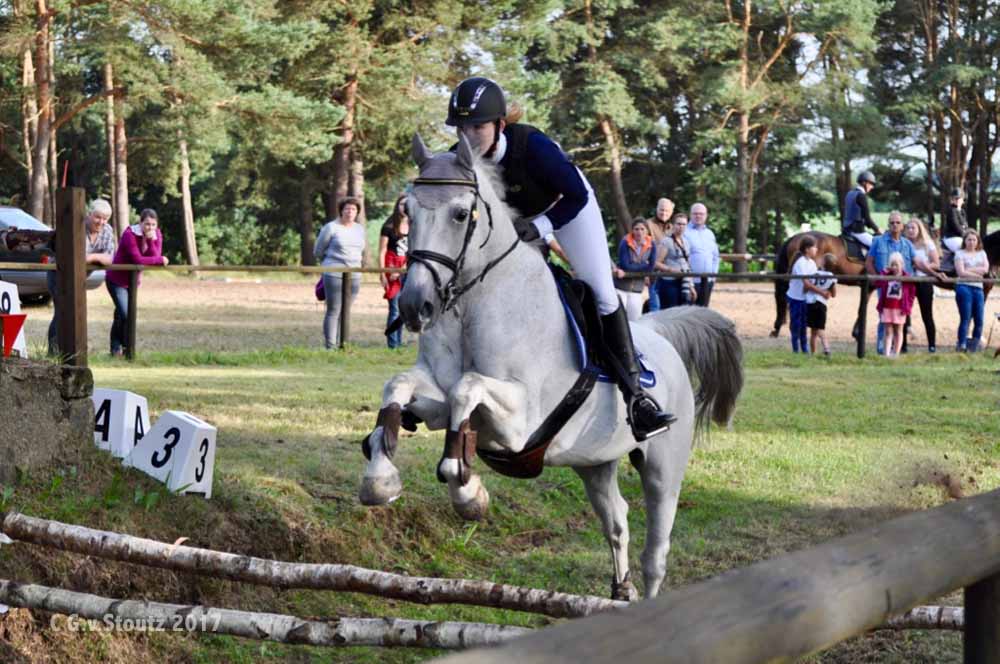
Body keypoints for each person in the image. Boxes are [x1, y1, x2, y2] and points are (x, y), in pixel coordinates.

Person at [446, 76, 674, 440]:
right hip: (516, 224)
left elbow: (576, 197)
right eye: (461, 129)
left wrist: (540, 227)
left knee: (601, 291)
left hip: (567, 211)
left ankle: (637, 397)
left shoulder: (534, 147)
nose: (468, 137)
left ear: (500, 125)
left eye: (477, 127)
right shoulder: (459, 158)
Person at [47, 198, 116, 356]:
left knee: (73, 312)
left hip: (78, 277)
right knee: (62, 311)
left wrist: (91, 257)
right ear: (89, 214)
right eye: (98, 217)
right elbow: (75, 258)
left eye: (105, 218)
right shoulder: (77, 226)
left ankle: (69, 352)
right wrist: (95, 257)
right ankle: (53, 352)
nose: (101, 222)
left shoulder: (107, 230)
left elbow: (110, 258)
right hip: (58, 273)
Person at [105, 209, 169, 357]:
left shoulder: (157, 234)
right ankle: (127, 349)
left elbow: (155, 255)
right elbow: (138, 260)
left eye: (153, 224)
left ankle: (116, 350)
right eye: (147, 224)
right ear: (140, 223)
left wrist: (151, 241)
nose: (150, 228)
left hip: (133, 282)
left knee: (121, 315)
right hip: (116, 280)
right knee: (126, 315)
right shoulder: (129, 234)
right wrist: (160, 260)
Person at [315, 197, 365, 349]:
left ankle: (343, 344)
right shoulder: (331, 227)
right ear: (341, 211)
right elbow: (318, 251)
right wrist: (330, 263)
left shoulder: (359, 229)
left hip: (354, 273)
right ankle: (331, 346)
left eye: (353, 209)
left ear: (357, 212)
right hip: (334, 272)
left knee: (346, 310)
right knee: (334, 310)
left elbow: (361, 250)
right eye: (347, 209)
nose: (350, 212)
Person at [865, 211, 915, 354]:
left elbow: (917, 261)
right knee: (884, 317)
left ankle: (897, 350)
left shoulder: (908, 244)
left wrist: (934, 272)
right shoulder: (878, 241)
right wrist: (877, 278)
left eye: (898, 223)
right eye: (892, 223)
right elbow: (869, 262)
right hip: (885, 287)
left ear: (902, 226)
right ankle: (882, 349)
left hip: (903, 289)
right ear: (888, 225)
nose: (895, 225)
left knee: (900, 319)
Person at [903, 218, 942, 353]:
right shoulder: (904, 244)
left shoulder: (928, 244)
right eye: (908, 228)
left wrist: (922, 266)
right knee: (904, 313)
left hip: (924, 281)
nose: (911, 230)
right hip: (908, 281)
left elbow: (936, 264)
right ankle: (903, 345)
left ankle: (932, 345)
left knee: (927, 314)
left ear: (919, 229)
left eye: (913, 228)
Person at [379, 194, 409, 349]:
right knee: (395, 308)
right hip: (391, 270)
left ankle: (399, 342)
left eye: (407, 204)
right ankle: (392, 344)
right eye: (402, 204)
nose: (405, 207)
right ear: (397, 205)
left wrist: (403, 269)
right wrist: (382, 273)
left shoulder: (415, 225)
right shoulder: (389, 226)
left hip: (409, 271)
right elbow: (382, 251)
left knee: (404, 309)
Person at [954, 229, 989, 352]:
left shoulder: (982, 253)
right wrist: (977, 273)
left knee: (979, 319)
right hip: (964, 287)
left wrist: (969, 270)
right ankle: (962, 344)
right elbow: (961, 272)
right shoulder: (959, 254)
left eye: (974, 240)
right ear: (965, 241)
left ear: (978, 241)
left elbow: (985, 270)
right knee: (966, 318)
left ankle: (974, 346)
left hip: (978, 289)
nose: (971, 242)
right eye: (969, 239)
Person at [613, 218, 656, 321]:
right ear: (632, 230)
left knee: (635, 319)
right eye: (636, 229)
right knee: (620, 319)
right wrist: (644, 265)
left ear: (647, 231)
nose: (639, 232)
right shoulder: (625, 242)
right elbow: (625, 266)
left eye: (642, 229)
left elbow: (651, 266)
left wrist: (637, 267)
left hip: (637, 287)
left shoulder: (652, 244)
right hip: (621, 286)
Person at [874, 252, 916, 357]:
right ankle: (887, 353)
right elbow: (877, 283)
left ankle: (896, 353)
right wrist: (884, 272)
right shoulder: (887, 276)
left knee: (899, 330)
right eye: (892, 265)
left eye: (896, 265)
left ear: (902, 264)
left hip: (900, 308)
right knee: (888, 331)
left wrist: (909, 306)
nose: (894, 267)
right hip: (887, 307)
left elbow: (912, 293)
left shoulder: (907, 278)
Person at [787, 236, 821, 353]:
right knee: (796, 324)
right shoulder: (800, 263)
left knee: (804, 324)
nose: (816, 249)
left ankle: (804, 348)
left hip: (805, 299)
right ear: (807, 249)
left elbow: (812, 282)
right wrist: (822, 292)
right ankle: (795, 348)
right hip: (795, 298)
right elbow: (806, 284)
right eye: (814, 247)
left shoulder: (812, 263)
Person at [654, 213, 695, 309]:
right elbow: (656, 263)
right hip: (669, 282)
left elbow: (687, 264)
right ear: (673, 225)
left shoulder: (686, 242)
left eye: (684, 224)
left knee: (683, 311)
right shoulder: (666, 241)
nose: (681, 227)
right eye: (679, 224)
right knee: (670, 311)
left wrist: (691, 285)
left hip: (684, 282)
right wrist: (671, 270)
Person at [684, 202, 719, 307]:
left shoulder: (710, 233)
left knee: (703, 311)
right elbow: (682, 259)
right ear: (690, 215)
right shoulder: (684, 232)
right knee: (688, 311)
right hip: (691, 281)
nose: (698, 216)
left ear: (706, 215)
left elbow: (715, 257)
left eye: (701, 214)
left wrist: (713, 277)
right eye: (695, 213)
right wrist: (687, 279)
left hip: (708, 281)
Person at [645, 198, 674, 312]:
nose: (664, 213)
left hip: (670, 276)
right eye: (661, 210)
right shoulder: (648, 225)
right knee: (655, 307)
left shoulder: (672, 227)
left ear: (671, 212)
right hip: (654, 274)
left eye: (667, 211)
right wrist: (646, 273)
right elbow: (643, 249)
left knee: (669, 308)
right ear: (656, 209)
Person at [806, 253, 838, 356]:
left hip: (810, 303)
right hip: (821, 304)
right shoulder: (832, 277)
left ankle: (814, 352)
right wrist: (827, 291)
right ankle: (826, 348)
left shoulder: (814, 273)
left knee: (814, 331)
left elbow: (807, 287)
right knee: (819, 328)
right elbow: (834, 294)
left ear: (823, 262)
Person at [842, 171, 881, 249]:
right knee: (879, 246)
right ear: (864, 183)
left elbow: (855, 215)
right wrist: (877, 229)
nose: (872, 187)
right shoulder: (861, 196)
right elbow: (867, 219)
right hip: (857, 232)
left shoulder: (849, 194)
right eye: (871, 184)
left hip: (846, 230)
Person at [941, 188, 968, 255]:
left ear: (962, 200)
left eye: (958, 198)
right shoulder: (952, 211)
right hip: (952, 237)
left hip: (961, 237)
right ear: (952, 200)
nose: (956, 200)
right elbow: (956, 226)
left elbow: (966, 226)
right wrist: (966, 236)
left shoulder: (962, 212)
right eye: (954, 198)